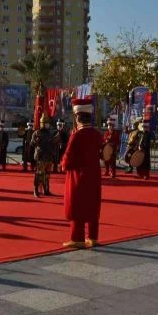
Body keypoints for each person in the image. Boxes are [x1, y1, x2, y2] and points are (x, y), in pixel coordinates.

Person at [61, 98, 102, 249]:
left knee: (76, 205)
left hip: (78, 175)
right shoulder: (97, 134)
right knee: (92, 205)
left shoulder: (76, 135)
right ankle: (92, 237)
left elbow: (68, 156)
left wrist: (63, 165)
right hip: (94, 174)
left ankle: (77, 238)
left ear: (77, 117)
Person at [32, 113, 56, 197]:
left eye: (48, 123)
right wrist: (36, 141)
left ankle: (46, 190)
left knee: (47, 174)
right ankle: (36, 190)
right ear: (42, 124)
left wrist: (55, 141)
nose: (48, 125)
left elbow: (52, 144)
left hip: (49, 156)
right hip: (41, 156)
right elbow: (31, 144)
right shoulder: (37, 133)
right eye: (46, 123)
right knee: (39, 174)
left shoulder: (50, 133)